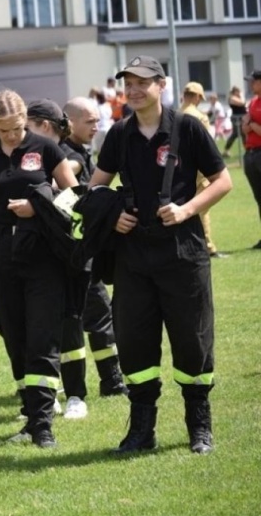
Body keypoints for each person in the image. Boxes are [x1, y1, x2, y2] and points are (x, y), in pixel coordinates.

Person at [90, 55, 231, 455]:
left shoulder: (187, 127)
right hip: (133, 257)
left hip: (183, 252)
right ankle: (141, 430)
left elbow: (224, 180)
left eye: (142, 82)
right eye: (128, 83)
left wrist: (188, 209)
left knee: (193, 339)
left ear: (162, 85)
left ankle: (198, 427)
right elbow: (96, 187)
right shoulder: (118, 134)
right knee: (135, 342)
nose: (133, 90)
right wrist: (113, 213)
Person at [0, 90, 77, 448]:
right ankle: (31, 417)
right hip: (2, 258)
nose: (13, 136)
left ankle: (43, 425)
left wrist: (37, 205)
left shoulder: (46, 149)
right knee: (13, 336)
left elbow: (75, 198)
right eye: (5, 131)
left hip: (43, 254)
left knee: (42, 337)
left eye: (17, 128)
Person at [24, 100, 107, 422]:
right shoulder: (23, 154)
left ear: (44, 126)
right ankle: (47, 393)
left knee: (72, 323)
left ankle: (76, 394)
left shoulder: (62, 155)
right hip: (37, 256)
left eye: (27, 125)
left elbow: (74, 188)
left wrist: (42, 201)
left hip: (70, 253)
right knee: (40, 327)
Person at [61, 99, 127, 399]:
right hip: (77, 252)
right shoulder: (67, 157)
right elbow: (66, 184)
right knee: (98, 314)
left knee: (92, 315)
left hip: (85, 247)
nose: (95, 126)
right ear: (70, 122)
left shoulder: (80, 151)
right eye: (89, 121)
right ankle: (111, 381)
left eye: (97, 120)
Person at [179, 83, 224, 258]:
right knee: (202, 208)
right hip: (199, 171)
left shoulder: (174, 115)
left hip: (178, 171)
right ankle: (208, 246)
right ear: (197, 96)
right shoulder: (199, 117)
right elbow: (208, 148)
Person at [244, 70, 261, 249]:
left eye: (253, 81)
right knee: (259, 198)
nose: (251, 84)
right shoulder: (253, 102)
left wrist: (251, 125)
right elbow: (244, 129)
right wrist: (249, 125)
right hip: (250, 153)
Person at [223, 85, 247, 157]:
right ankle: (226, 150)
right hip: (237, 119)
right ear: (234, 92)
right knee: (235, 134)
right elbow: (242, 102)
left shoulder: (238, 98)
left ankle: (247, 149)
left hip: (242, 118)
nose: (239, 93)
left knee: (244, 134)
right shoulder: (232, 98)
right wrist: (242, 95)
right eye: (238, 91)